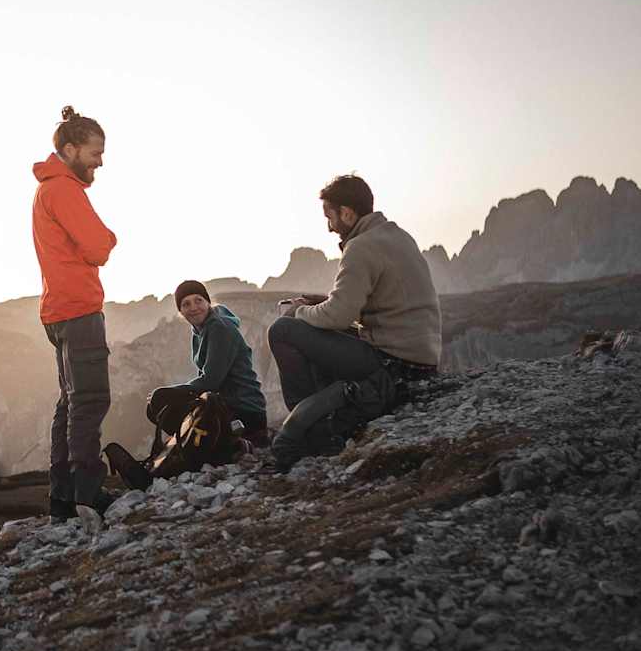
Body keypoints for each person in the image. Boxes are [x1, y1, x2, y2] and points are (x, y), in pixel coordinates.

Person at [266, 174, 441, 413]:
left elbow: (338, 317)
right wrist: (326, 302)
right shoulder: (399, 236)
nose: (329, 227)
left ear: (347, 213)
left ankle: (306, 418)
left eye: (330, 217)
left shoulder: (360, 246)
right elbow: (381, 303)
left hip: (395, 364)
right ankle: (328, 405)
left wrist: (300, 310)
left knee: (282, 329)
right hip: (422, 359)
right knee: (316, 324)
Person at [33, 105, 117, 519]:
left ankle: (62, 498)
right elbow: (98, 246)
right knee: (90, 400)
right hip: (79, 308)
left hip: (57, 309)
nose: (100, 161)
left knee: (69, 402)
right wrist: (111, 237)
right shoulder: (64, 190)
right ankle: (87, 493)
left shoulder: (49, 188)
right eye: (95, 153)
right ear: (70, 149)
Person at [145, 280, 269, 447]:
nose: (193, 307)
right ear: (180, 311)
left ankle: (222, 445)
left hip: (244, 410)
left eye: (198, 300)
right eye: (186, 304)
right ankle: (198, 445)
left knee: (160, 399)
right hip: (223, 404)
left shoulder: (220, 328)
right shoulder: (200, 329)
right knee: (155, 408)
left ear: (208, 302)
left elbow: (211, 380)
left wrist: (169, 393)